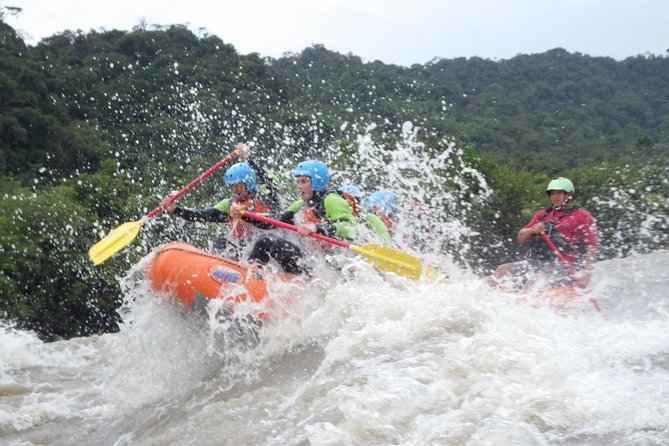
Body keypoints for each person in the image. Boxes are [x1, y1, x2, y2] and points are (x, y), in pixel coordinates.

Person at [230, 160, 359, 275]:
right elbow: (271, 222)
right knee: (265, 241)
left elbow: (351, 228)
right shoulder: (301, 205)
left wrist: (317, 228)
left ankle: (248, 277)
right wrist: (245, 214)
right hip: (310, 261)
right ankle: (251, 275)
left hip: (330, 266)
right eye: (298, 182)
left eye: (304, 181)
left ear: (317, 182)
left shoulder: (332, 200)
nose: (299, 186)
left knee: (267, 240)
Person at [159, 143, 280, 259]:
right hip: (244, 250)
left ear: (248, 181)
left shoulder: (264, 193)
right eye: (232, 186)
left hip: (266, 247)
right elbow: (201, 215)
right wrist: (175, 209)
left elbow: (268, 180)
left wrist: (249, 159)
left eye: (238, 185)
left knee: (262, 243)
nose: (235, 189)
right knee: (220, 241)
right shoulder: (230, 204)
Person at [491, 177, 598, 289]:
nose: (554, 197)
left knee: (534, 281)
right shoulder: (543, 214)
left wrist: (586, 277)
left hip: (566, 264)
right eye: (552, 194)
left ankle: (527, 300)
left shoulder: (583, 216)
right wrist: (531, 230)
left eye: (559, 193)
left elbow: (592, 248)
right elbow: (521, 237)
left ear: (569, 195)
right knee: (501, 270)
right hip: (539, 261)